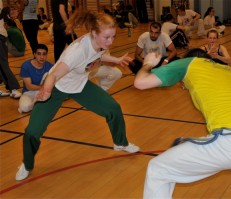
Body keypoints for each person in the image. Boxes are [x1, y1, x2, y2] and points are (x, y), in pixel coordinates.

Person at [15, 10, 140, 181]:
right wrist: (46, 91)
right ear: (94, 33)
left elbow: (100, 55)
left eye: (113, 37)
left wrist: (116, 60)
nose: (110, 41)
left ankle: (121, 143)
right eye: (107, 37)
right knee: (32, 131)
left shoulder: (98, 42)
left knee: (113, 109)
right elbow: (53, 75)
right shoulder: (77, 51)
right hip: (56, 87)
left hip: (80, 85)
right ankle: (27, 164)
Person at [133, 49, 231, 199]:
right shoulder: (226, 69)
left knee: (157, 169)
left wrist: (148, 63)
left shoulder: (189, 63)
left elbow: (140, 82)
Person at [18, 44, 53, 113]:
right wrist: (43, 87)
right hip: (28, 92)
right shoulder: (26, 66)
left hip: (43, 91)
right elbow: (29, 86)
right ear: (34, 54)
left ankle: (36, 104)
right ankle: (36, 103)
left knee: (49, 74)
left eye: (44, 54)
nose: (42, 57)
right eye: (39, 54)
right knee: (24, 107)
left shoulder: (50, 66)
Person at [0, 3, 22, 98]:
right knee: (2, 63)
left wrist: (8, 15)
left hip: (2, 35)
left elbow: (3, 18)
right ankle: (13, 89)